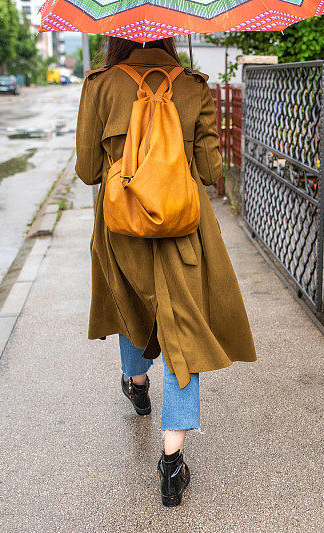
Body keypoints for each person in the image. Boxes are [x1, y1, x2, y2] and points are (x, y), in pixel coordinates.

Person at [75, 36, 257, 507]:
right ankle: (172, 462)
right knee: (185, 327)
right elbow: (212, 170)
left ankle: (136, 384)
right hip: (184, 228)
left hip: (121, 225)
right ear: (171, 32)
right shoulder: (195, 86)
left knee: (132, 301)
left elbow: (88, 170)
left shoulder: (100, 84)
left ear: (117, 34)